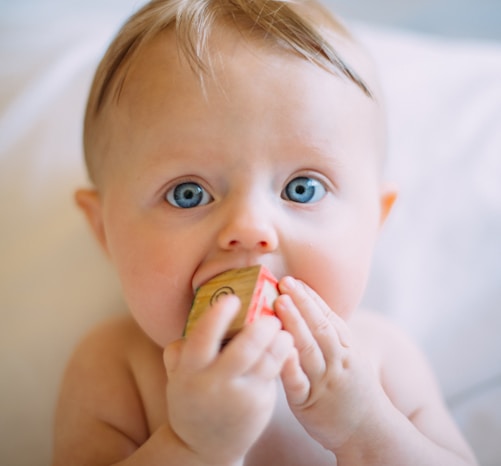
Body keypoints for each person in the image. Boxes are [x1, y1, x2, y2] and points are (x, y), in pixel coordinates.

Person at [52, 0, 478, 464]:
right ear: (104, 231)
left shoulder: (381, 359)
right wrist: (192, 446)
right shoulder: (115, 367)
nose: (250, 229)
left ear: (374, 222)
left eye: (302, 188)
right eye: (188, 194)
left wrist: (366, 428)